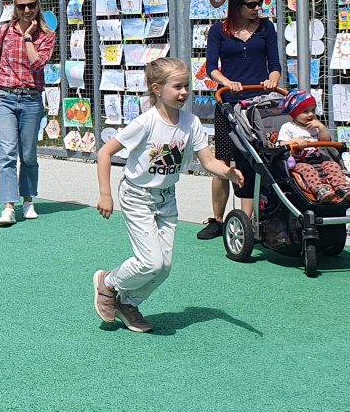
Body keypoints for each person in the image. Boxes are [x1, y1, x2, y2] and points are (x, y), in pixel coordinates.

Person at [92, 57, 244, 332]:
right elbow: (105, 152)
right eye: (177, 87)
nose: (184, 92)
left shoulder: (191, 122)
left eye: (187, 86)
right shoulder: (146, 122)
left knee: (164, 267)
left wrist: (227, 172)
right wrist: (105, 194)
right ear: (157, 89)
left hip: (167, 199)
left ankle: (128, 303)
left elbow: (208, 161)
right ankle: (108, 282)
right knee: (150, 262)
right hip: (137, 196)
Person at [199, 0, 281, 250]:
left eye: (260, 3)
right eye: (251, 4)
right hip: (229, 103)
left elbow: (275, 64)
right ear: (236, 5)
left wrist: (272, 79)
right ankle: (217, 220)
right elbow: (211, 67)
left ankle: (249, 222)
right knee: (222, 162)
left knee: (253, 161)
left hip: (258, 105)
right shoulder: (218, 31)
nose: (257, 8)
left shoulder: (266, 28)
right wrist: (226, 82)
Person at [0, 0, 56, 227]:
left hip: (31, 99)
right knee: (7, 153)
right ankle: (9, 206)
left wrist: (27, 38)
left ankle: (28, 200)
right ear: (14, 7)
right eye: (21, 6)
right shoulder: (4, 31)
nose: (26, 10)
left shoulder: (47, 35)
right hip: (4, 97)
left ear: (37, 6)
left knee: (29, 154)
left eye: (31, 5)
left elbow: (37, 63)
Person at [275, 89, 350, 203]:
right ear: (295, 113)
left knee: (332, 165)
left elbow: (325, 141)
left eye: (313, 110)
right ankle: (320, 190)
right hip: (298, 162)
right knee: (307, 169)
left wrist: (321, 128)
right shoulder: (288, 127)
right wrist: (295, 141)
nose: (310, 114)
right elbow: (281, 144)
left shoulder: (314, 126)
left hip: (317, 159)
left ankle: (342, 188)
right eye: (305, 111)